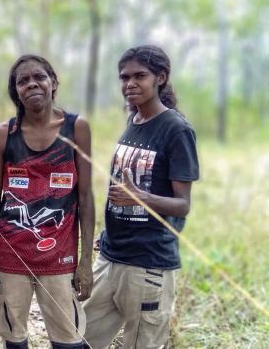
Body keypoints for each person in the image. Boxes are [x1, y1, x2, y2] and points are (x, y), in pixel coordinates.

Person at [82, 45, 199, 348]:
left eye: (139, 76)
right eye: (124, 77)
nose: (130, 84)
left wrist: (140, 197)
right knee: (77, 337)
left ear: (161, 77)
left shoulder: (176, 129)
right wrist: (111, 229)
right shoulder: (133, 121)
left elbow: (182, 205)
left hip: (148, 264)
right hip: (111, 256)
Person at [0, 55, 95, 349]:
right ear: (15, 90)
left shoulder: (76, 128)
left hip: (59, 255)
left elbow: (85, 197)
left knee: (68, 339)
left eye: (39, 77)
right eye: (22, 80)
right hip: (11, 253)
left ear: (53, 82)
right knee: (14, 337)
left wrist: (85, 262)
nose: (32, 84)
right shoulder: (4, 134)